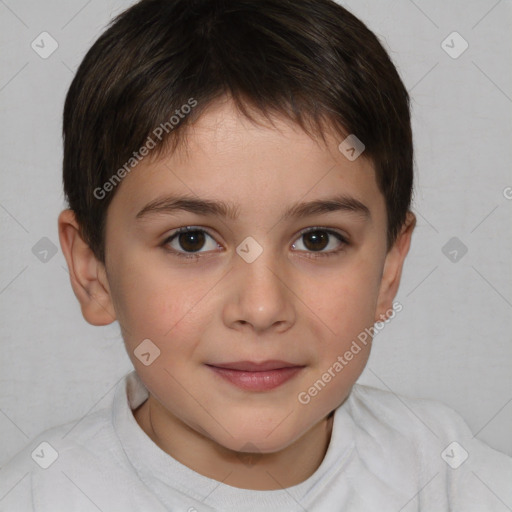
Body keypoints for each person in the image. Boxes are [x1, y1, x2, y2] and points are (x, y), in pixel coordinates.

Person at [1, 0, 511, 510]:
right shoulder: (35, 496)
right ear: (93, 271)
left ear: (388, 269)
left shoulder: (452, 482)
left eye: (318, 239)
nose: (263, 308)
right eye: (191, 240)